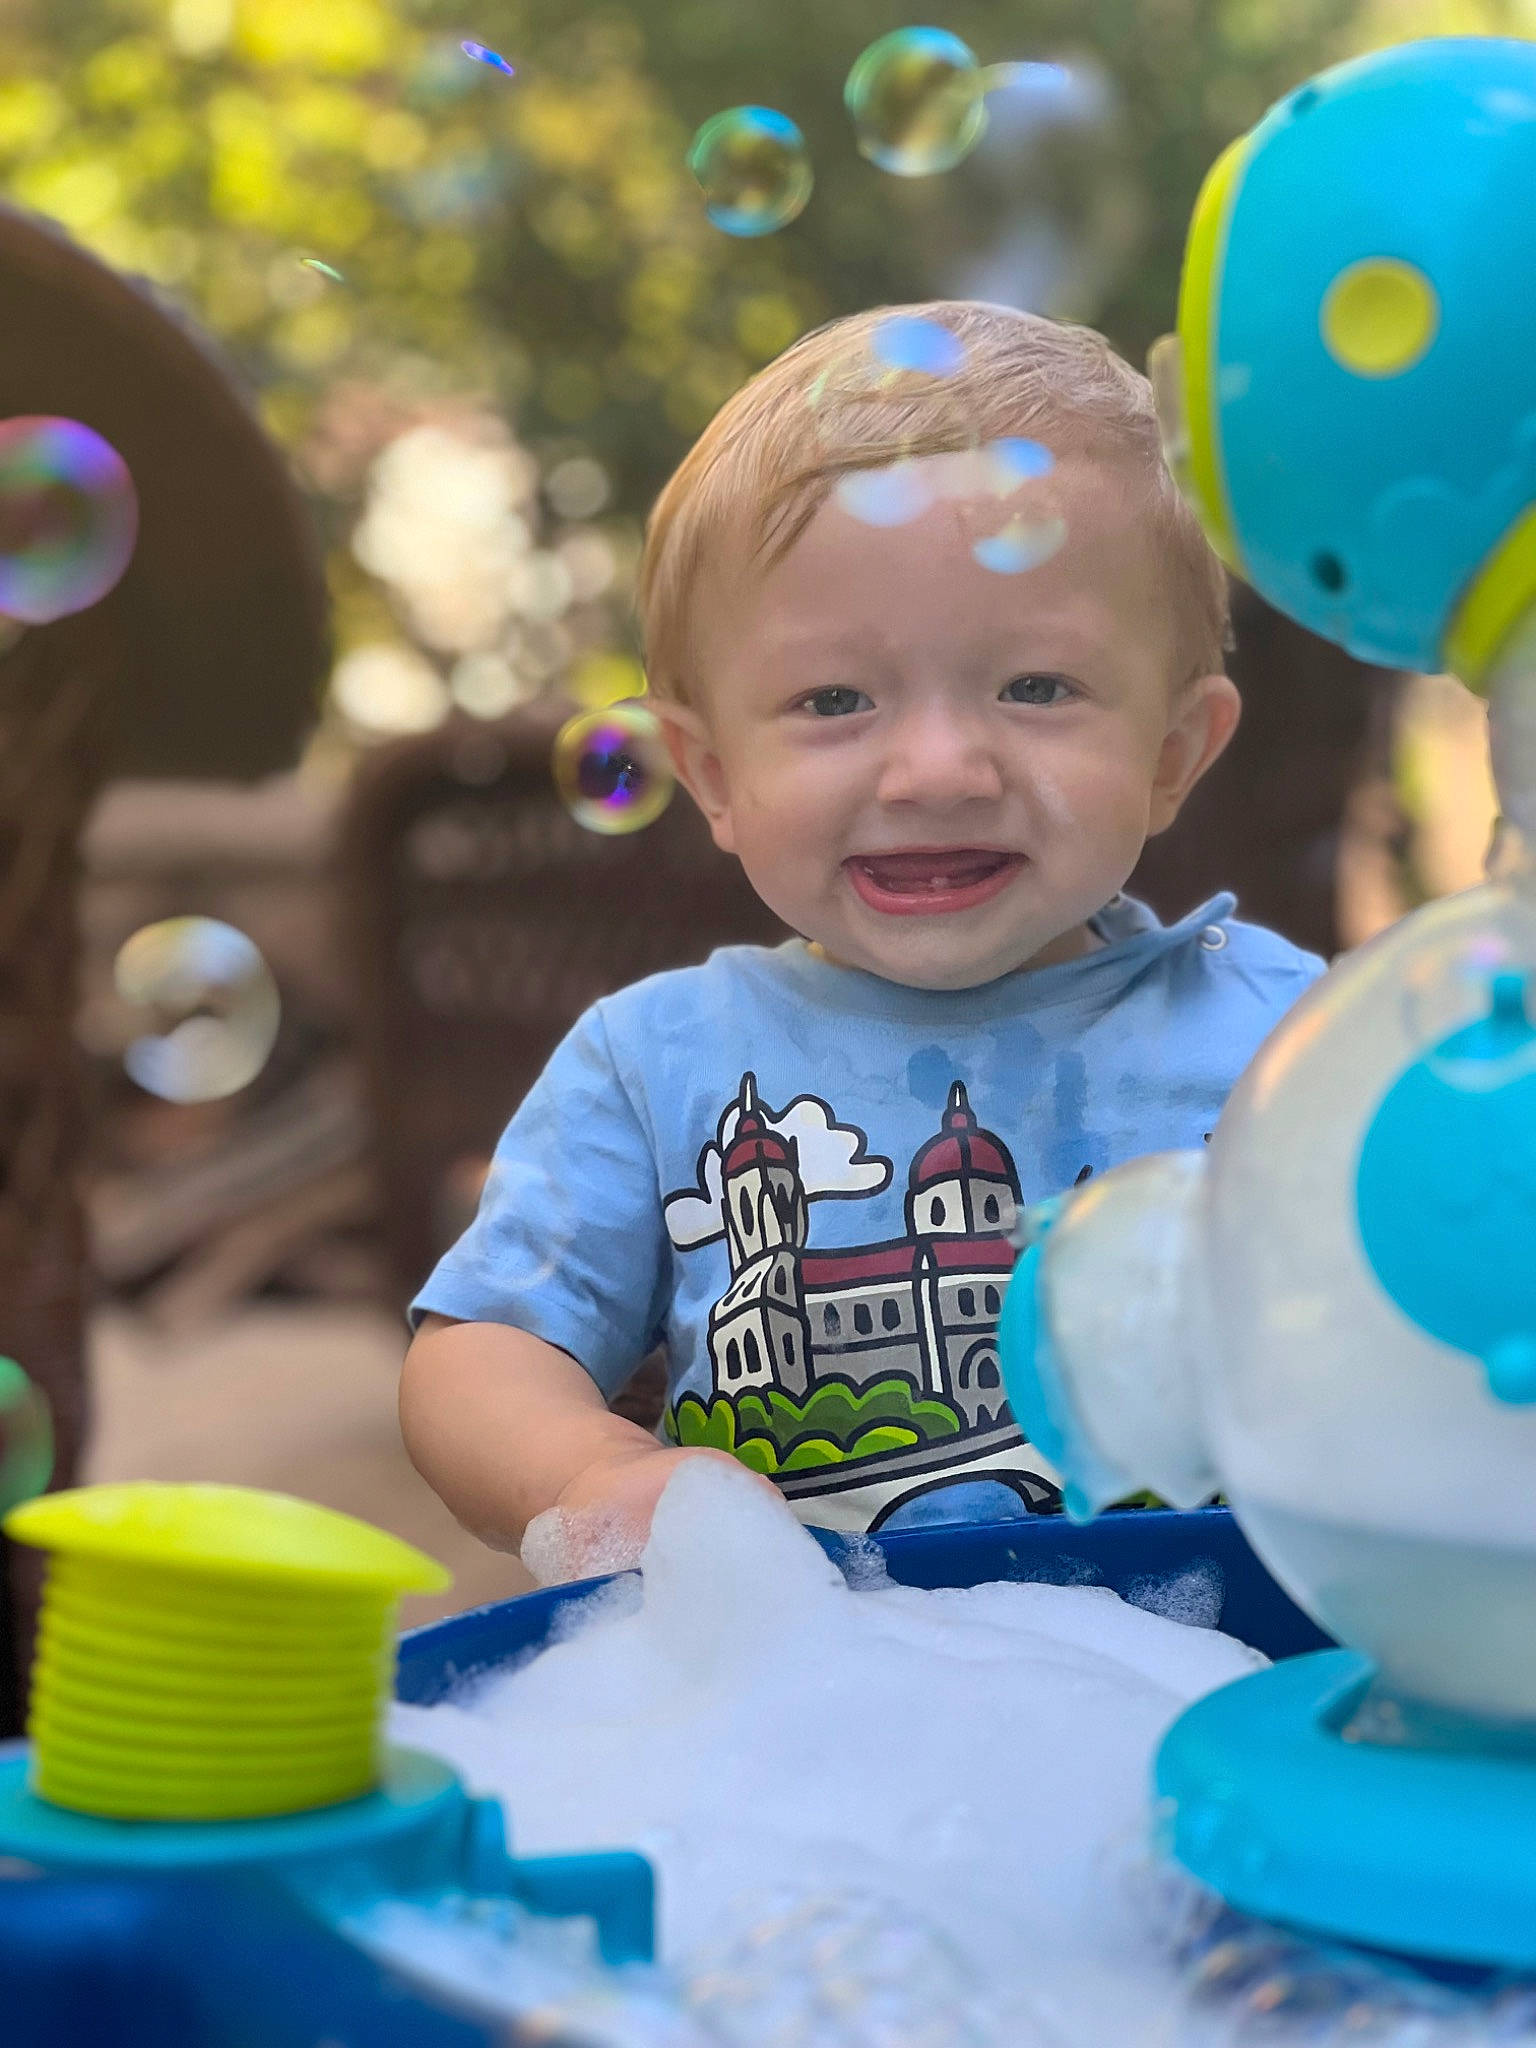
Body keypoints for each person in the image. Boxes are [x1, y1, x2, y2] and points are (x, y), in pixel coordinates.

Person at [399, 300, 1325, 1576]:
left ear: (1173, 754)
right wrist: (590, 1470)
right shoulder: (655, 1058)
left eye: (1036, 685)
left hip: (1215, 1684)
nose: (938, 769)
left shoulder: (1295, 1034)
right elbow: (480, 1349)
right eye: (833, 699)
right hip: (804, 1696)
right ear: (713, 772)